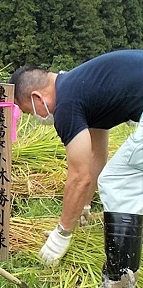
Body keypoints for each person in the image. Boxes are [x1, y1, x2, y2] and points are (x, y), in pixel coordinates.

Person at [9, 49, 143, 288]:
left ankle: (118, 279)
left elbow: (79, 177)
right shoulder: (83, 87)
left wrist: (62, 233)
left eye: (30, 112)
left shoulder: (67, 104)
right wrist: (83, 205)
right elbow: (96, 156)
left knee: (117, 182)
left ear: (37, 98)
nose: (36, 117)